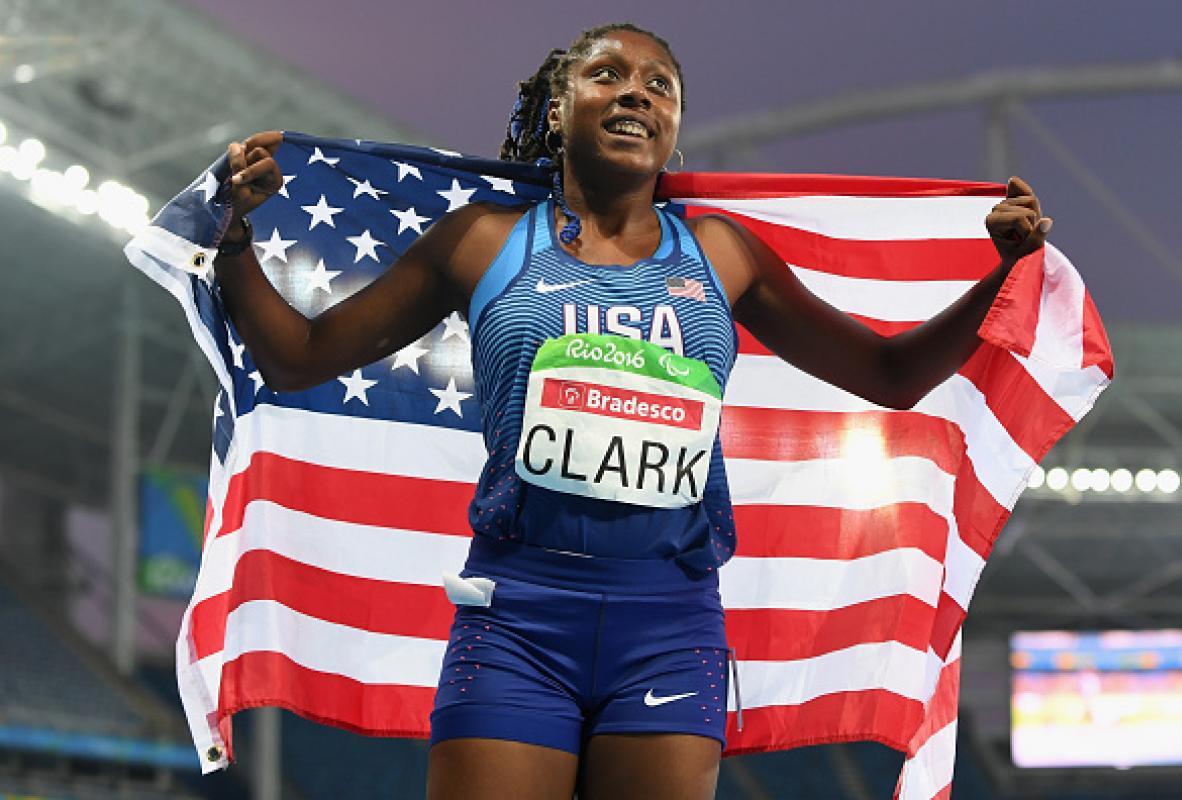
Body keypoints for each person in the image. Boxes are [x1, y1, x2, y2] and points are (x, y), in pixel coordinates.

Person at [213, 22, 1050, 800]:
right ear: (556, 109)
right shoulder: (482, 242)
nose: (635, 93)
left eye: (659, 86)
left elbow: (890, 373)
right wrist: (236, 240)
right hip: (515, 618)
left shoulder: (722, 254)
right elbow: (299, 357)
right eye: (605, 75)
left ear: (674, 129)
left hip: (669, 619)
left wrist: (1001, 276)